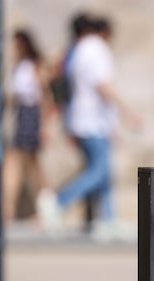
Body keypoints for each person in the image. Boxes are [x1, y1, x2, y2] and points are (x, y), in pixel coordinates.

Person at [37, 13, 140, 236]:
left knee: (102, 171)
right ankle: (58, 201)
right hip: (93, 121)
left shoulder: (75, 50)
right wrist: (128, 113)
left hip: (79, 119)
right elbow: (104, 86)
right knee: (99, 170)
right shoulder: (95, 49)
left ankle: (107, 220)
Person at [2, 28, 50, 223]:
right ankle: (12, 209)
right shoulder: (18, 66)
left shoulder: (34, 66)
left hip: (31, 115)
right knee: (29, 165)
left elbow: (44, 96)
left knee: (25, 163)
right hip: (20, 115)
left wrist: (44, 126)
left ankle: (11, 210)